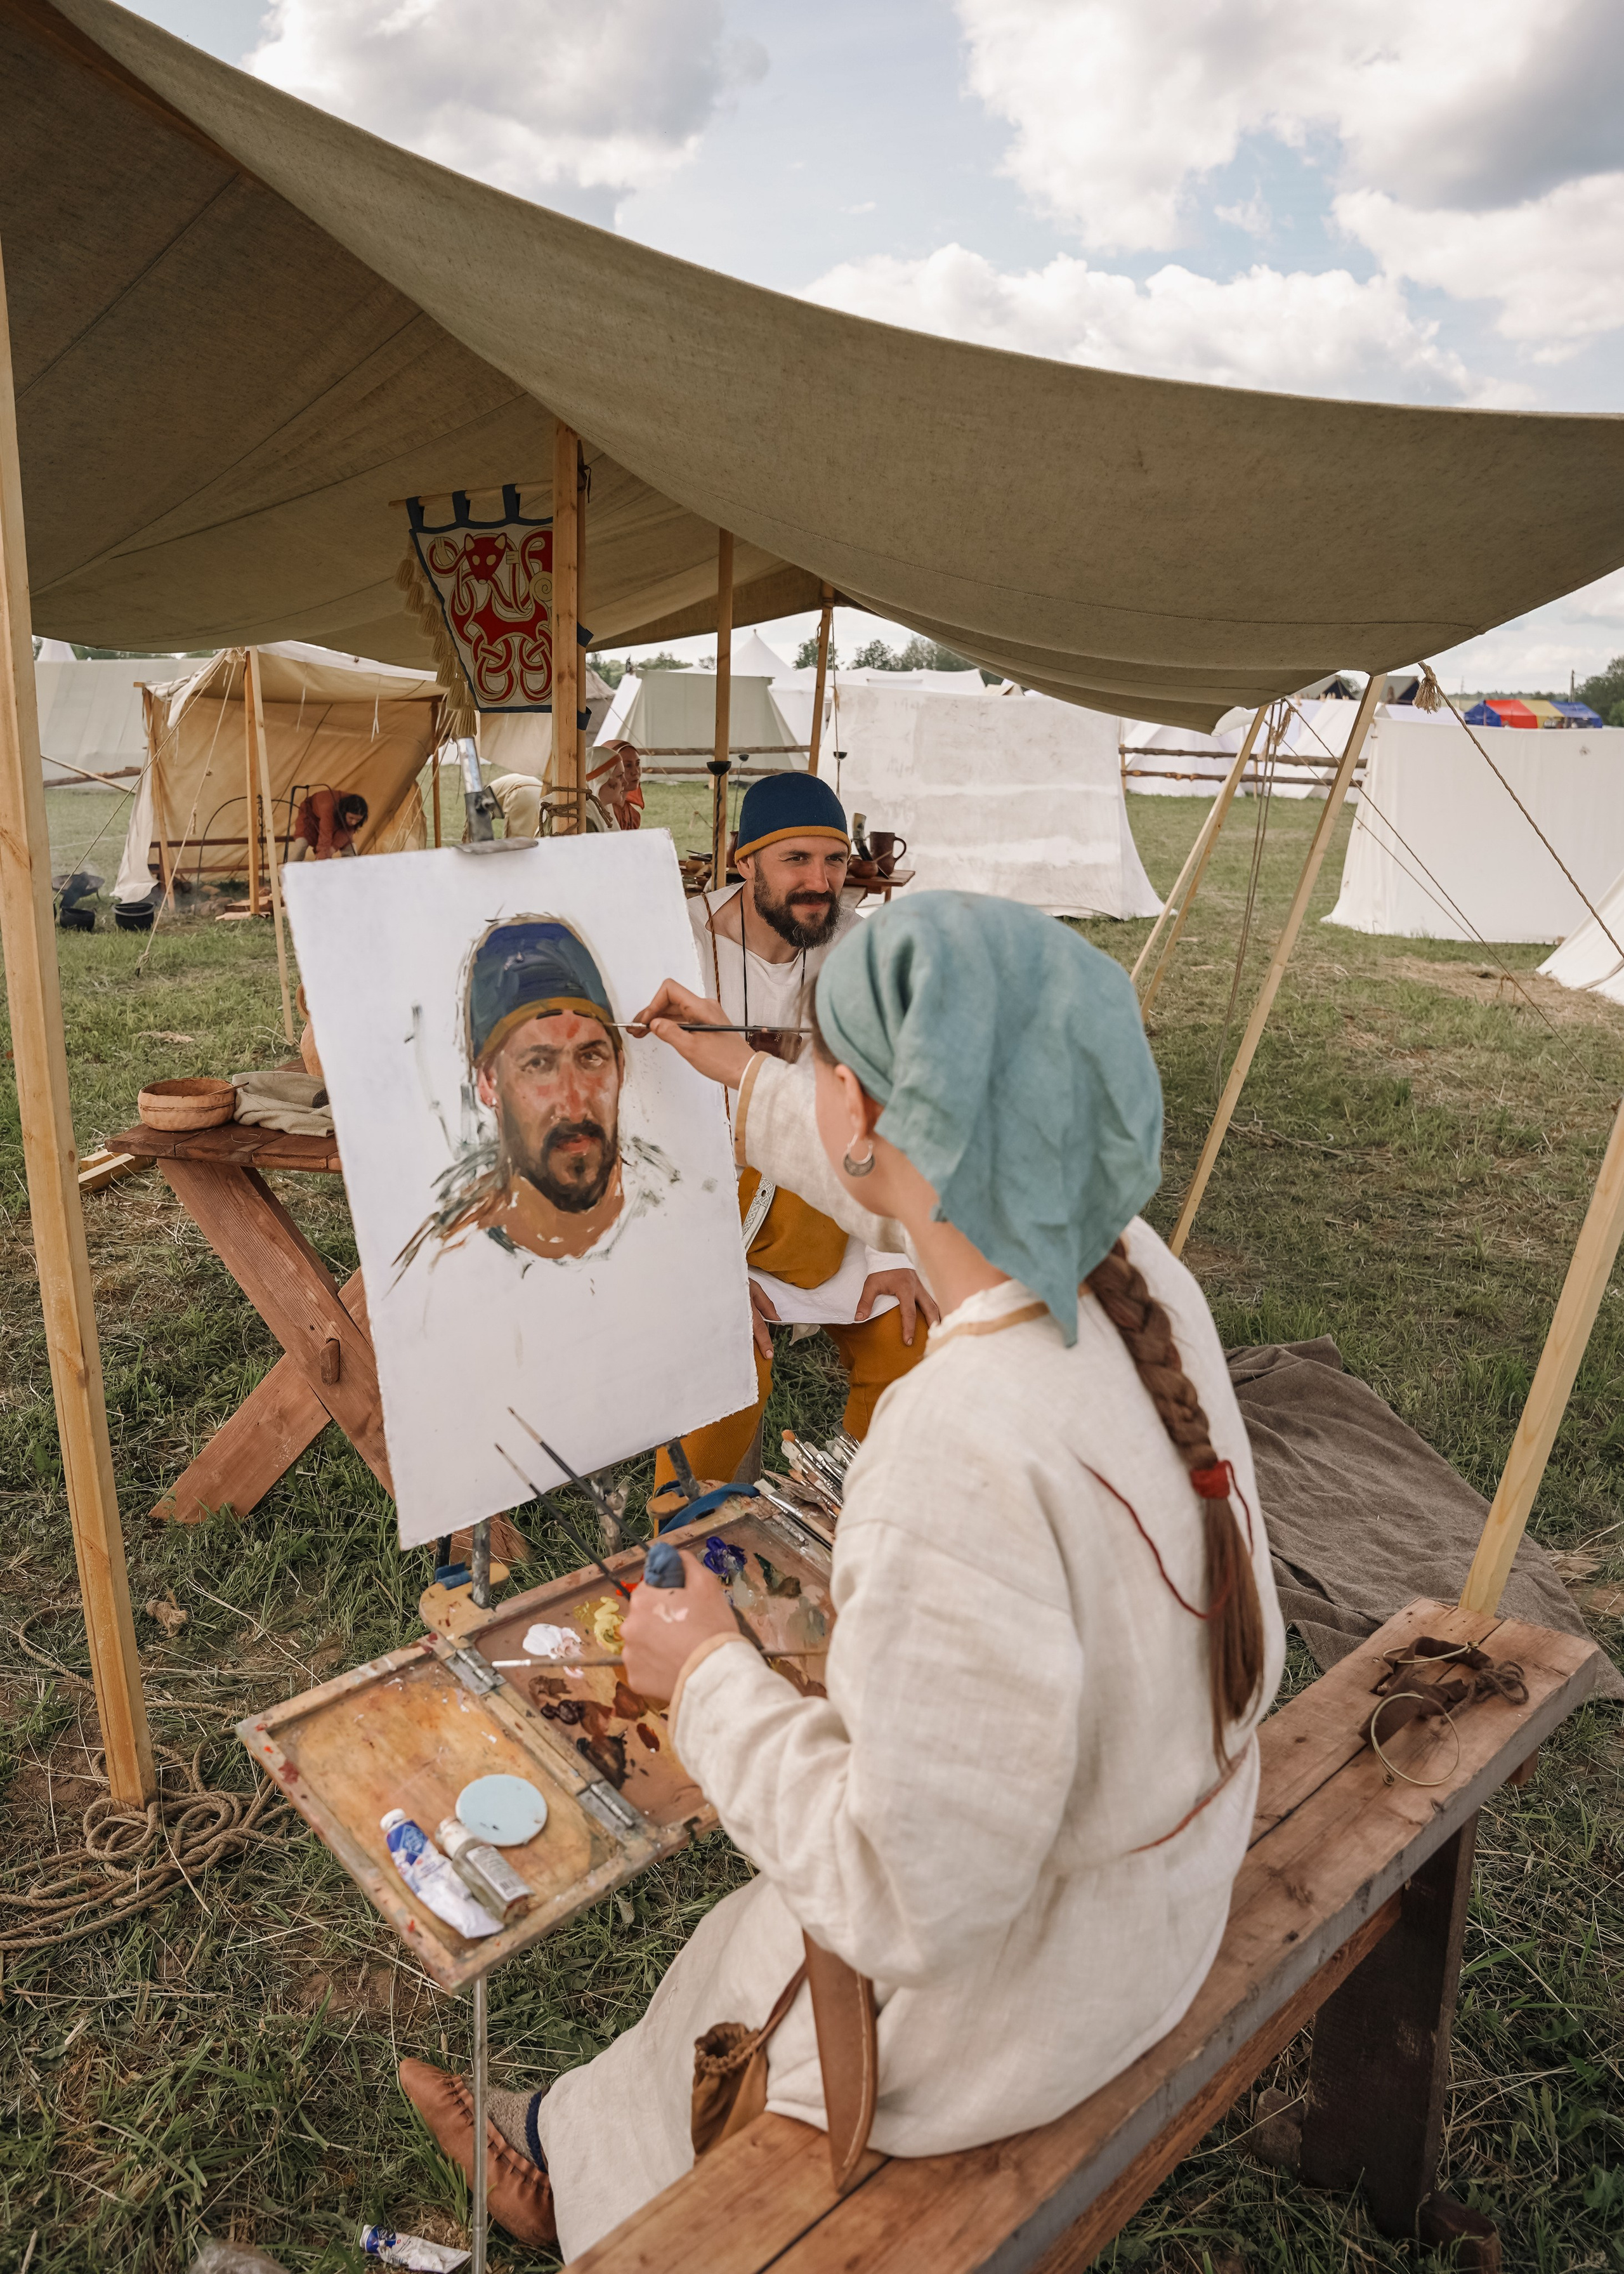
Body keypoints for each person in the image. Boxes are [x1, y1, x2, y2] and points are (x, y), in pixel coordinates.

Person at [396, 890, 1285, 2259]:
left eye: (822, 1068)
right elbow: (893, 1167)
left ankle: (587, 2195)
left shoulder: (958, 1438)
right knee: (732, 1946)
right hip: (1155, 1906)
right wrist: (745, 1082)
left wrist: (700, 1675)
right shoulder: (1136, 1270)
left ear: (868, 1114)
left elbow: (899, 1898)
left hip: (1026, 2013)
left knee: (744, 1967)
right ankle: (576, 2145)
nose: (807, 1090)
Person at [652, 770, 937, 1500]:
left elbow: (890, 1097)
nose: (821, 882)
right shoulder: (674, 939)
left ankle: (854, 1524)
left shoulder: (863, 952)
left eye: (835, 861)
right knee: (721, 1367)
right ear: (743, 860)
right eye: (796, 860)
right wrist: (705, 1273)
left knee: (912, 1340)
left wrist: (886, 1249)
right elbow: (646, 1120)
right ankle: (685, 1567)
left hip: (826, 1203)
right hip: (702, 1209)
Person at [396, 915, 674, 1275]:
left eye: (591, 1058)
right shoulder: (444, 1269)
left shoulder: (680, 1213)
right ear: (488, 1083)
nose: (574, 1106)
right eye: (539, 1064)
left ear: (620, 1068)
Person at [289, 785, 367, 859]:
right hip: (311, 818)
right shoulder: (328, 808)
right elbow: (326, 834)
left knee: (350, 848)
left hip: (336, 823)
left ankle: (351, 871)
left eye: (358, 820)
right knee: (302, 844)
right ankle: (288, 869)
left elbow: (345, 834)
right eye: (351, 818)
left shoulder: (355, 809)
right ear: (344, 812)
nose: (354, 823)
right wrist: (323, 856)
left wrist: (333, 848)